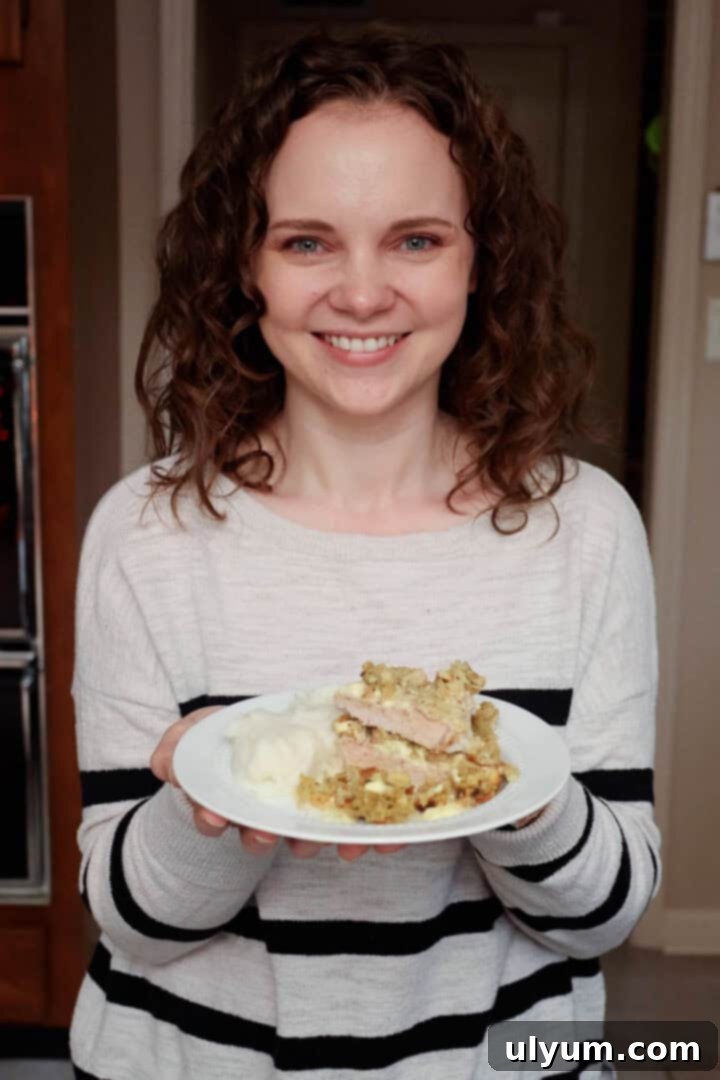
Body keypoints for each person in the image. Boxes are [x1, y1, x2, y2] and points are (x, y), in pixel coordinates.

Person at [69, 22, 660, 1080]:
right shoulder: (146, 534)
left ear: (483, 262)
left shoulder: (588, 530)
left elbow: (602, 917)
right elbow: (134, 926)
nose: (361, 292)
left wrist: (505, 783)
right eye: (307, 241)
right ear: (245, 269)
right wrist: (206, 805)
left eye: (416, 239)